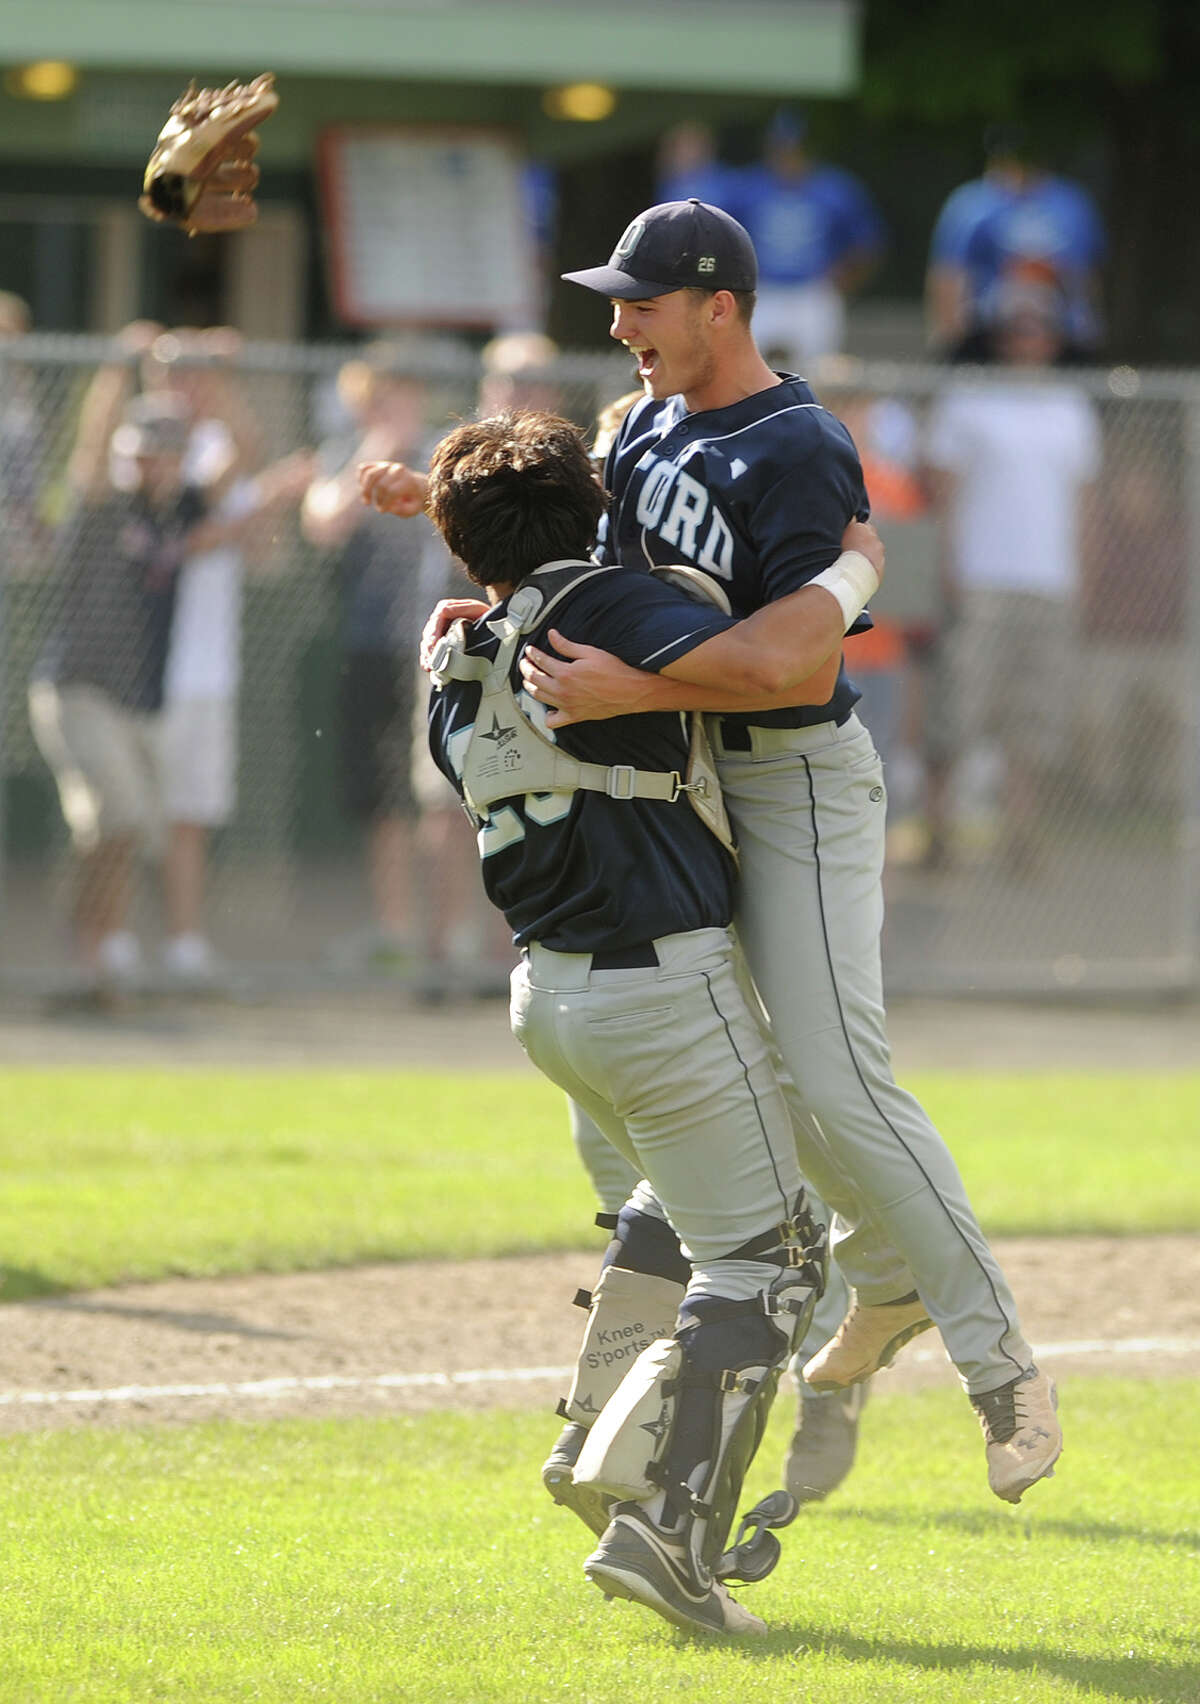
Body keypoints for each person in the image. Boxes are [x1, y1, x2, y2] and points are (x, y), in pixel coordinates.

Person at [504, 198, 1061, 1506]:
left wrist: (631, 695)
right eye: (617, 299)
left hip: (799, 786)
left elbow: (788, 657)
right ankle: (870, 1281)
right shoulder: (639, 427)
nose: (620, 322)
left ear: (723, 307)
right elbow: (605, 594)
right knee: (713, 1070)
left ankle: (1005, 1368)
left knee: (837, 1073)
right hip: (689, 789)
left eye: (644, 300)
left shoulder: (797, 445)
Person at [417, 406, 882, 1636]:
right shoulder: (606, 608)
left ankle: (594, 1442)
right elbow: (769, 659)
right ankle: (672, 1533)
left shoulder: (455, 657)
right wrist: (851, 569)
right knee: (776, 1255)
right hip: (661, 983)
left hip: (548, 992)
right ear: (595, 509)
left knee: (676, 1208)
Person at [30, 393, 305, 997]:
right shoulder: (104, 504)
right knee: (121, 814)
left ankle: (89, 955)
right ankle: (88, 950)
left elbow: (239, 465)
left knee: (128, 828)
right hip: (81, 689)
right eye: (144, 453)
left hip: (139, 699)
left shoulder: (180, 511)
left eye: (165, 453)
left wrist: (223, 385)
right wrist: (112, 371)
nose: (153, 464)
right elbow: (91, 447)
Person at [924, 276, 1102, 869]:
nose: (1029, 337)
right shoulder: (969, 397)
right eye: (1018, 326)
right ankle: (938, 829)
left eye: (1039, 327)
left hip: (1050, 581)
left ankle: (1021, 835)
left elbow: (1084, 503)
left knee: (1034, 716)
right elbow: (942, 494)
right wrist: (946, 567)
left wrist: (1087, 573)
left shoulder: (1072, 406)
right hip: (981, 578)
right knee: (959, 710)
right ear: (1000, 335)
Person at [302, 346, 436, 967]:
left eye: (400, 395)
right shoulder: (347, 457)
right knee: (384, 799)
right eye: (378, 400)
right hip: (374, 647)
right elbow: (324, 523)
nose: (394, 409)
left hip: (444, 650)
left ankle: (455, 938)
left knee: (445, 797)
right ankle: (396, 932)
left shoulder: (446, 454)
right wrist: (376, 447)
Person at [926, 124, 1106, 362]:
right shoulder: (969, 205)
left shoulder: (1071, 204)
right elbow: (948, 274)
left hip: (1056, 329)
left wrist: (1088, 330)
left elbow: (1086, 275)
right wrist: (950, 338)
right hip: (989, 331)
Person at [732, 108, 885, 366]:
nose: (788, 155)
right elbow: (726, 239)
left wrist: (840, 282)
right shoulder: (748, 188)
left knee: (818, 371)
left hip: (813, 291)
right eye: (781, 147)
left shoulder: (834, 188)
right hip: (763, 291)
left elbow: (867, 243)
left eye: (794, 147)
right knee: (753, 368)